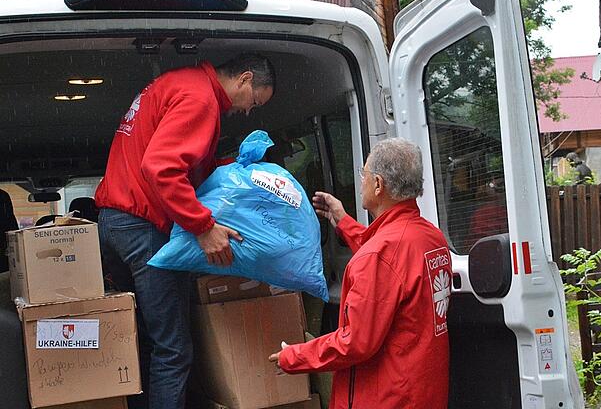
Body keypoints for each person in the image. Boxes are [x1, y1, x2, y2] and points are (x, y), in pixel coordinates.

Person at [94, 53, 275, 409]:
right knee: (174, 350)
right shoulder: (201, 98)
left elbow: (181, 164)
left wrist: (234, 168)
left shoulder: (179, 84)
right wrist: (203, 226)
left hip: (113, 223)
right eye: (254, 101)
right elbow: (161, 168)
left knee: (146, 339)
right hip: (142, 228)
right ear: (245, 78)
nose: (248, 111)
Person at [269, 138, 452, 409]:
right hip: (424, 390)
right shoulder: (431, 237)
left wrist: (294, 357)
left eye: (363, 174)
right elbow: (391, 264)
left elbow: (355, 342)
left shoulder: (379, 255)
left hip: (387, 397)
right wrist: (344, 222)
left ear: (378, 184)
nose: (361, 180)